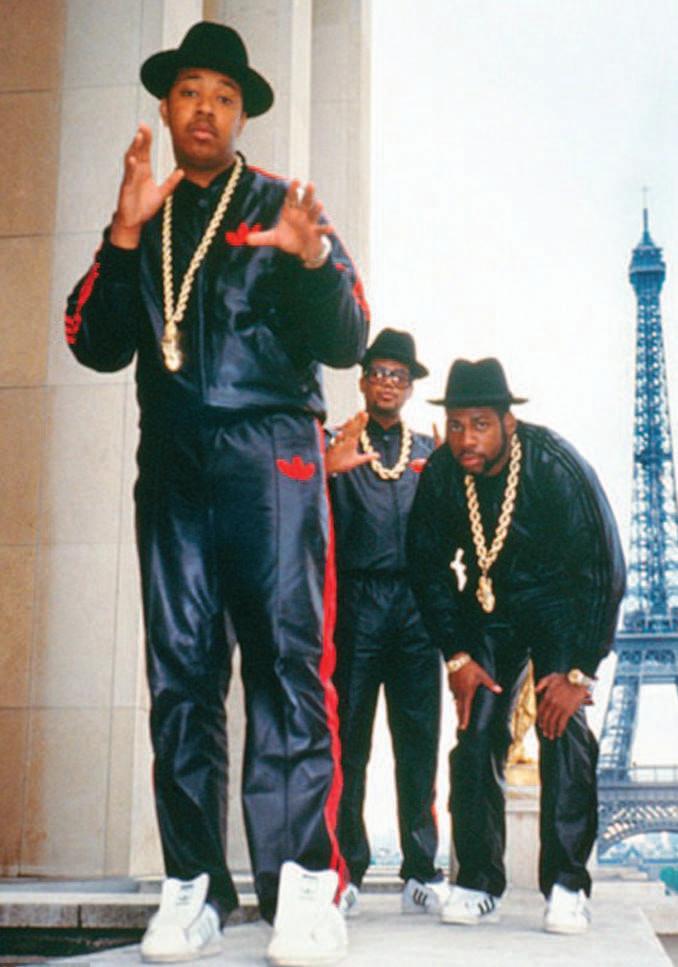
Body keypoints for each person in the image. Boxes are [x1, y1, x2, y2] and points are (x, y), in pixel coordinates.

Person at [64, 20, 369, 966]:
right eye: (191, 91)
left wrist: (312, 261)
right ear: (166, 107)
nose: (207, 108)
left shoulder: (282, 206)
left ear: (242, 117)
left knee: (286, 663)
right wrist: (121, 235)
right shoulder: (144, 215)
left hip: (272, 452)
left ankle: (305, 884)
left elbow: (350, 338)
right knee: (182, 675)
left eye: (225, 97)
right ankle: (193, 884)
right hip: (174, 463)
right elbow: (93, 342)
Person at [407, 357, 625, 934]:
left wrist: (579, 672)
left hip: (559, 608)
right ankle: (478, 881)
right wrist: (457, 654)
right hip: (489, 608)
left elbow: (604, 569)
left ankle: (567, 885)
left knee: (562, 727)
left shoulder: (555, 464)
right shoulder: (444, 473)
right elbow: (426, 566)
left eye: (480, 424)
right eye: (457, 425)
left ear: (508, 422)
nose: (465, 439)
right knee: (476, 728)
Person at [329, 329, 448, 918]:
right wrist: (327, 468)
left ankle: (421, 871)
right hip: (358, 602)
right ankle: (346, 869)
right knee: (349, 744)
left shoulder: (429, 450)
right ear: (362, 380)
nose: (388, 383)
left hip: (416, 608)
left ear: (410, 387)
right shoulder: (336, 445)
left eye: (399, 375)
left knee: (418, 743)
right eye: (379, 372)